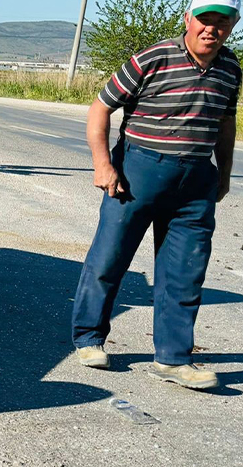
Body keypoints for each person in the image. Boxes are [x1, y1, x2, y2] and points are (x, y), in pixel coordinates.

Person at [72, 0, 240, 390]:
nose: (211, 29)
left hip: (196, 180)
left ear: (233, 25)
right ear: (188, 19)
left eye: (222, 22)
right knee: (110, 258)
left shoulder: (231, 67)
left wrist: (225, 173)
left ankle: (173, 358)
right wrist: (102, 164)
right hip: (138, 172)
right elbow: (100, 108)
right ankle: (89, 338)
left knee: (186, 271)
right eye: (204, 20)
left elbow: (226, 121)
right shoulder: (154, 56)